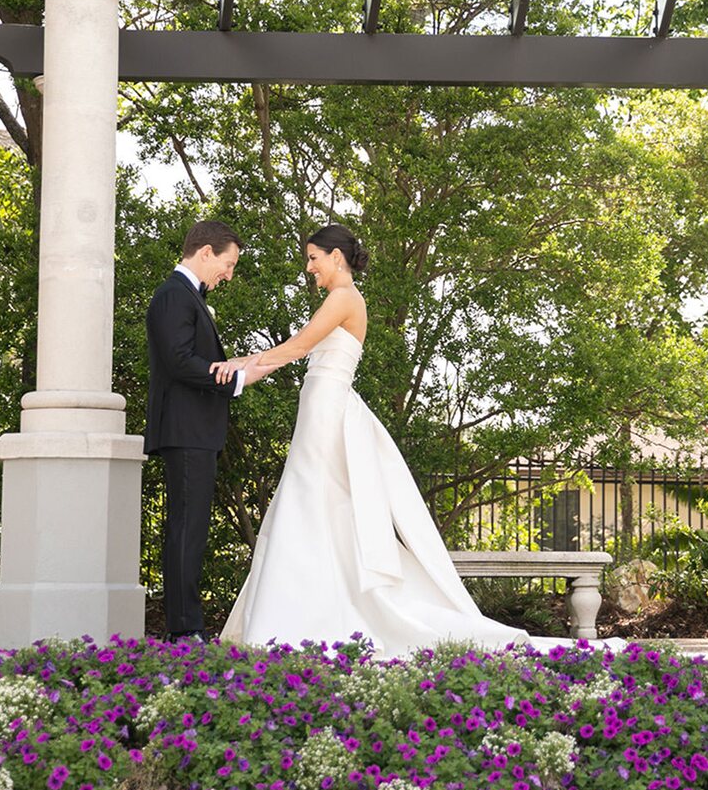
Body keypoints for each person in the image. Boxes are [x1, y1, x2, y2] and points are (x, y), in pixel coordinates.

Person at [214, 224, 530, 658]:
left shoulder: (344, 297)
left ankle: (303, 617)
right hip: (319, 403)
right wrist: (243, 364)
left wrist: (241, 368)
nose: (310, 267)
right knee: (319, 502)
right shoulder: (339, 297)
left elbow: (298, 347)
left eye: (313, 258)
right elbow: (295, 350)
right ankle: (316, 605)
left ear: (336, 257)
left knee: (312, 497)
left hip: (327, 406)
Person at [144, 220, 267, 642]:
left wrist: (232, 367)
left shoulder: (185, 297)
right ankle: (185, 630)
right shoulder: (173, 296)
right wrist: (235, 379)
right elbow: (179, 360)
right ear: (205, 253)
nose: (229, 275)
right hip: (186, 429)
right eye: (228, 264)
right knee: (187, 529)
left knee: (189, 528)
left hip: (194, 430)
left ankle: (185, 627)